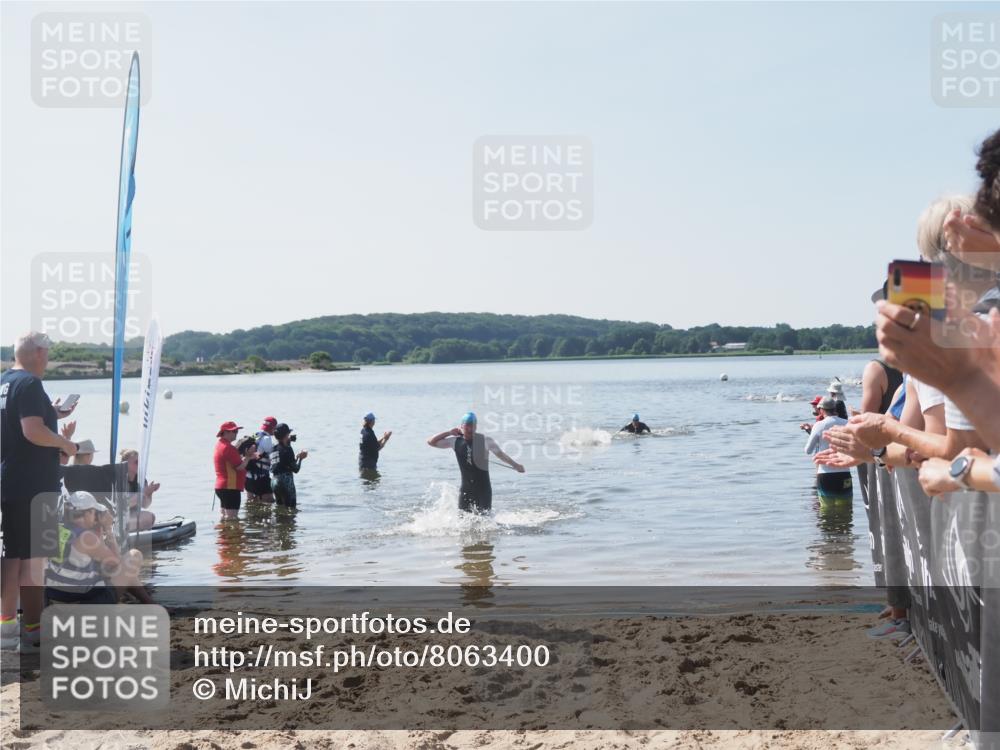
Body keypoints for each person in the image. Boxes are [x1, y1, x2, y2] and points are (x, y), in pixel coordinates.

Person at [1, 331, 79, 652]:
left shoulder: (6, 382)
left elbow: (22, 422)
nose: (48, 360)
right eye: (47, 354)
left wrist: (53, 413)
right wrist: (65, 443)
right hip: (34, 484)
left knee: (13, 554)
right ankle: (33, 628)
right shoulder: (31, 384)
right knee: (34, 559)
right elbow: (31, 430)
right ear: (38, 353)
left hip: (11, 480)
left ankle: (7, 628)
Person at [45, 491, 152, 606]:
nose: (95, 516)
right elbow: (117, 563)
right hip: (82, 604)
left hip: (57, 599)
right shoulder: (86, 538)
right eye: (94, 512)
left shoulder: (58, 530)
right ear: (88, 512)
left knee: (110, 571)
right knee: (134, 556)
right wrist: (108, 529)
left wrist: (98, 531)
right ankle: (151, 605)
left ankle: (150, 603)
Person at [427, 412, 525, 513]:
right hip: (466, 490)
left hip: (483, 490)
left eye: (473, 426)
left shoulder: (485, 441)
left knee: (486, 522)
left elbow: (501, 455)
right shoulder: (455, 441)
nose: (470, 429)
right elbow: (431, 442)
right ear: (461, 426)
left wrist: (516, 466)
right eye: (467, 426)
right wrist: (449, 433)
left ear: (476, 426)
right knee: (462, 520)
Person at [804, 397, 852, 503]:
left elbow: (808, 450)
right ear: (835, 408)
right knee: (845, 509)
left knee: (827, 511)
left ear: (821, 410)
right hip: (844, 473)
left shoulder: (819, 425)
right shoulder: (847, 423)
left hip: (825, 474)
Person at [214, 421, 256, 519]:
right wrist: (248, 457)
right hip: (230, 488)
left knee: (224, 517)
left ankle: (222, 534)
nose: (237, 433)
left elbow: (232, 463)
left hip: (221, 487)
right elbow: (239, 467)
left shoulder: (220, 445)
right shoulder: (228, 448)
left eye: (236, 431)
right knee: (232, 519)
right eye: (234, 431)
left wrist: (248, 457)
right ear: (226, 432)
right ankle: (231, 535)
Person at [270, 423, 308, 508]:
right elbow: (296, 469)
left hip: (274, 481)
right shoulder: (287, 449)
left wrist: (296, 457)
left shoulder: (273, 449)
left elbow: (283, 463)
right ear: (286, 435)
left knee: (280, 508)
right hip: (285, 482)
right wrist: (301, 458)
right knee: (291, 508)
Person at [247, 417, 277, 502]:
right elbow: (273, 457)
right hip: (261, 477)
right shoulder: (267, 439)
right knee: (270, 501)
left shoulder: (255, 435)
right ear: (274, 428)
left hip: (248, 478)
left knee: (251, 502)